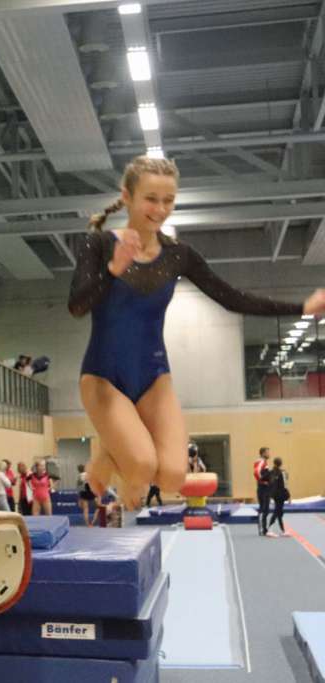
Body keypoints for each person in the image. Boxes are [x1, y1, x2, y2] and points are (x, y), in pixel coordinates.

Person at [69, 155, 325, 508]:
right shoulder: (96, 244)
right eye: (150, 198)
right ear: (126, 196)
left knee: (174, 476)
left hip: (153, 376)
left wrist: (300, 308)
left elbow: (231, 298)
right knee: (142, 466)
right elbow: (77, 306)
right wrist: (114, 269)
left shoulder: (179, 255)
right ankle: (114, 453)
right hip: (102, 377)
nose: (160, 209)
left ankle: (109, 453)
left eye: (168, 200)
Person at [266, 457, 290, 537]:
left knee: (279, 512)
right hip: (280, 495)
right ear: (281, 463)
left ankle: (283, 530)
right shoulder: (282, 472)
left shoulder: (271, 472)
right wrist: (289, 496)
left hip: (274, 494)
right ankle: (269, 530)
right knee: (277, 512)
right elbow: (285, 485)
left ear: (274, 463)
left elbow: (264, 479)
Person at [257, 462, 273, 537]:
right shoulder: (261, 465)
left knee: (266, 510)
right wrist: (262, 481)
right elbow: (257, 474)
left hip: (265, 490)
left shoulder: (266, 469)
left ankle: (264, 529)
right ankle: (262, 529)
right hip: (263, 490)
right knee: (263, 509)